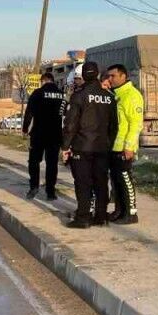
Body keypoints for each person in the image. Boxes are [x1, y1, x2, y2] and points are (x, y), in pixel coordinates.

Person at [60, 61, 117, 229]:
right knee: (101, 182)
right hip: (102, 147)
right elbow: (114, 126)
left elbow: (70, 124)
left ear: (83, 76)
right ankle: (101, 217)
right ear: (98, 74)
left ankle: (83, 217)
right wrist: (108, 144)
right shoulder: (109, 97)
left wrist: (65, 146)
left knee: (83, 183)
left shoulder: (79, 96)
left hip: (82, 146)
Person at [106, 64, 144, 225]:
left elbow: (136, 124)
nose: (110, 79)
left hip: (124, 148)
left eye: (113, 76)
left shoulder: (132, 95)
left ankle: (131, 213)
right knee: (116, 181)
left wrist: (129, 146)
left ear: (123, 76)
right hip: (114, 146)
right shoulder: (116, 94)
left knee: (125, 179)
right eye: (108, 76)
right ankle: (119, 211)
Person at [23, 72, 66, 200]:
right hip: (55, 134)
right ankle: (50, 192)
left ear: (43, 81)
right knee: (52, 164)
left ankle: (34, 186)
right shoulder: (62, 95)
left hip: (39, 133)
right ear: (53, 80)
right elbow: (65, 113)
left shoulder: (37, 93)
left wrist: (25, 128)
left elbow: (29, 113)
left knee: (34, 161)